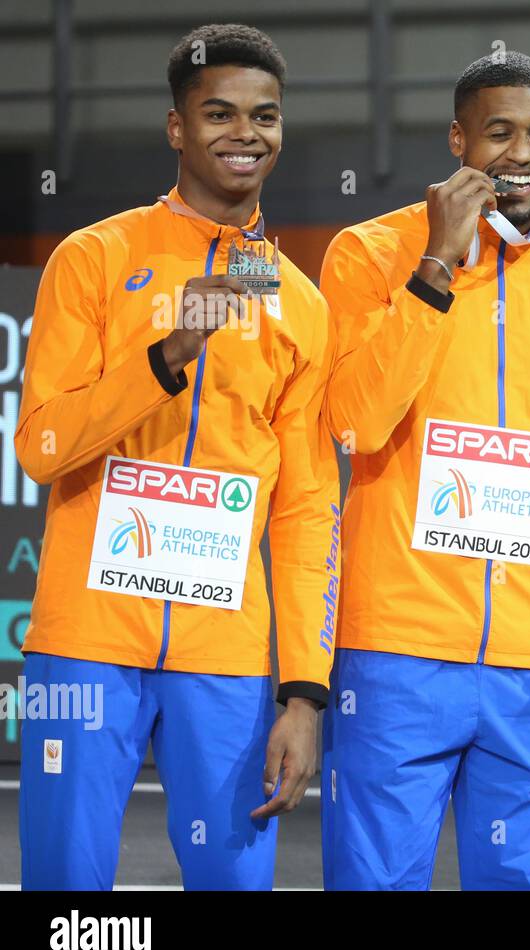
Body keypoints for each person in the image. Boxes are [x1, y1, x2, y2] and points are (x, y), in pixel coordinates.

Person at [15, 23, 339, 890]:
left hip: (225, 658)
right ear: (176, 128)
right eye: (219, 113)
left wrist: (304, 694)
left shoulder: (301, 307)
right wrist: (164, 358)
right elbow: (43, 447)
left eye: (264, 116)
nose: (246, 133)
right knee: (65, 896)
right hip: (85, 643)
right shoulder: (94, 259)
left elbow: (308, 513)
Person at [319, 52, 530, 890]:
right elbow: (354, 421)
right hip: (394, 653)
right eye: (498, 132)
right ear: (458, 139)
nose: (520, 152)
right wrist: (436, 263)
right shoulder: (367, 253)